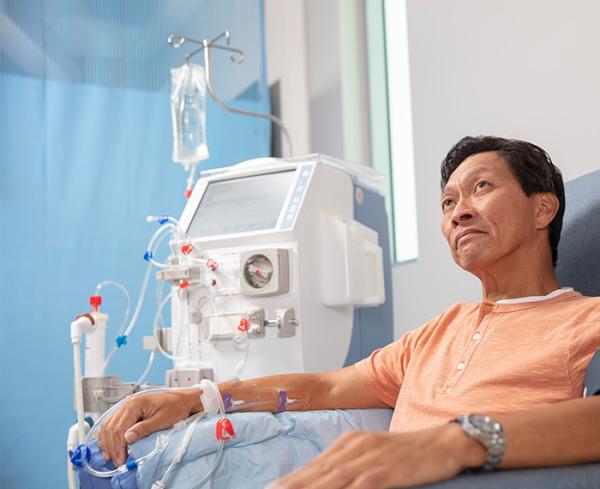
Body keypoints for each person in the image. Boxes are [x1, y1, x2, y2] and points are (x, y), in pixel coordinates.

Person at [99, 136, 600, 489]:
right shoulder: (438, 331)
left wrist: (456, 444)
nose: (458, 211)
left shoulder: (586, 320)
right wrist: (197, 397)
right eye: (447, 203)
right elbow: (327, 388)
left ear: (543, 209)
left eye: (481, 188)